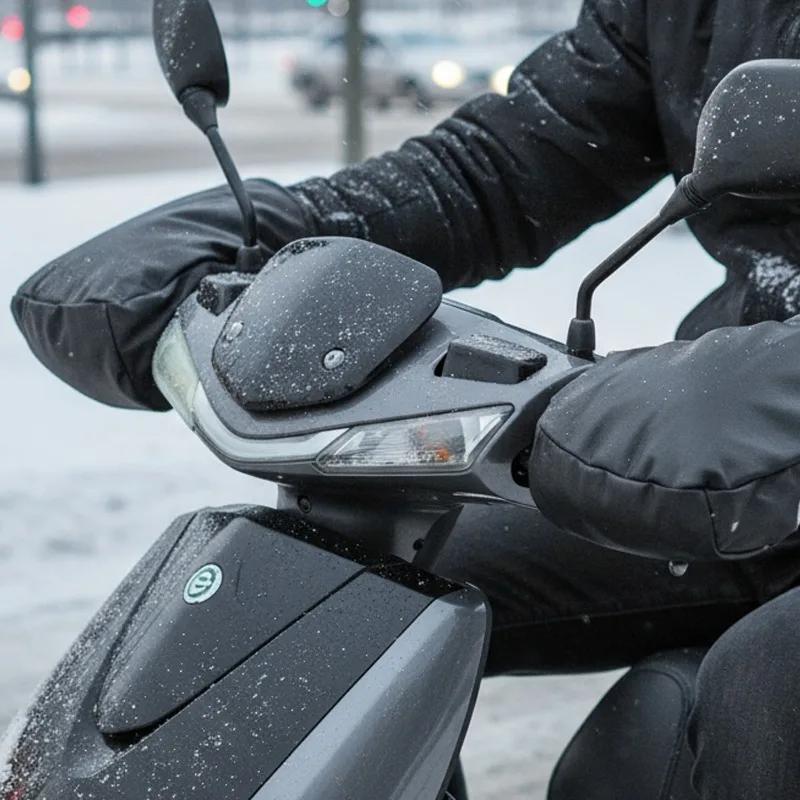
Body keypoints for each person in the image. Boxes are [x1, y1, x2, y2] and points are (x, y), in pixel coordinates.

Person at [11, 1, 800, 796]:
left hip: (758, 433)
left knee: (763, 684)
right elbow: (498, 169)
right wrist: (275, 233)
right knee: (340, 596)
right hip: (741, 466)